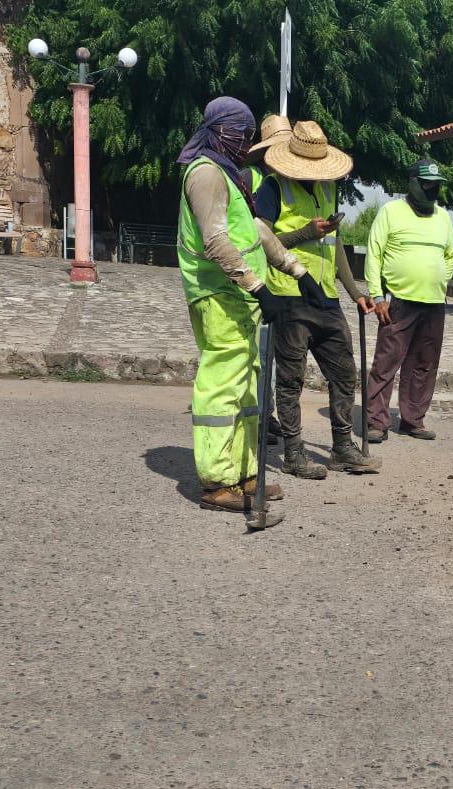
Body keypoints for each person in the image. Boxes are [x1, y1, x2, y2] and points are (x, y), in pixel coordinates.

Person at [176, 97, 312, 519]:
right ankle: (217, 482)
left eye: (248, 135)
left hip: (239, 299)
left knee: (247, 387)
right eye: (240, 133)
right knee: (223, 385)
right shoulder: (204, 174)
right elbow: (216, 240)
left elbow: (254, 231)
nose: (244, 142)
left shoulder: (230, 176)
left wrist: (295, 270)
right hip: (219, 295)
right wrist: (258, 287)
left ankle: (246, 474)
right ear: (219, 131)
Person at [255, 121, 380, 479]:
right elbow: (261, 240)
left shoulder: (327, 189)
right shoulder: (272, 188)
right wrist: (306, 232)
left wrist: (355, 293)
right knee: (290, 381)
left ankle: (342, 449)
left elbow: (335, 245)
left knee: (345, 374)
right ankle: (294, 454)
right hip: (288, 294)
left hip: (325, 297)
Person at [364, 159, 453, 443]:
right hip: (399, 301)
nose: (432, 189)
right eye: (427, 184)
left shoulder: (442, 217)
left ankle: (412, 420)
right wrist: (377, 295)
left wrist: (440, 279)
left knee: (424, 365)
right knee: (386, 364)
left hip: (433, 302)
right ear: (413, 183)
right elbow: (374, 253)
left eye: (436, 185)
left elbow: (450, 254)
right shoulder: (391, 212)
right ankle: (376, 423)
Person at [243, 115, 293, 444]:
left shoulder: (282, 182)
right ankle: (256, 415)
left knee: (271, 353)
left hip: (277, 276)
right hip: (253, 274)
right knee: (258, 353)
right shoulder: (252, 177)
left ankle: (267, 412)